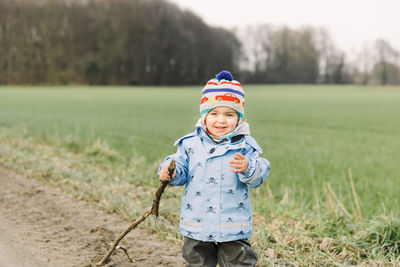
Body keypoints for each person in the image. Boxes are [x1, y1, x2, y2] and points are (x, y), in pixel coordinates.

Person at [159, 70, 270, 267]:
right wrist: (171, 171)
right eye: (214, 113)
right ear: (204, 116)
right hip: (198, 220)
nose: (221, 120)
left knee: (239, 261)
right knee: (197, 259)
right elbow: (180, 168)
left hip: (232, 222)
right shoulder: (191, 144)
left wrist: (248, 167)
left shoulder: (245, 146)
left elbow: (261, 171)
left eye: (229, 114)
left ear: (239, 118)